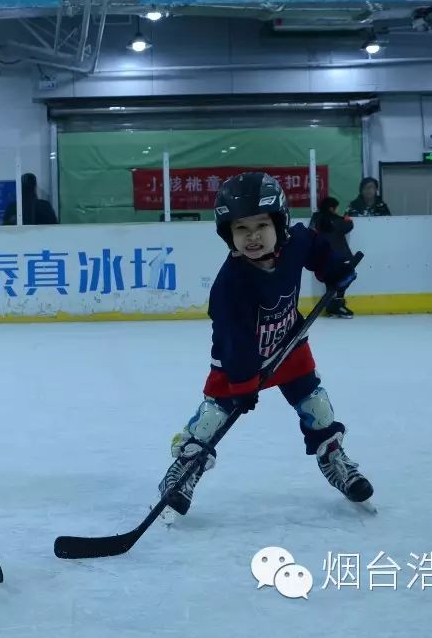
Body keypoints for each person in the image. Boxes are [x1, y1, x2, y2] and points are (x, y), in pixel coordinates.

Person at [159, 172, 370, 517]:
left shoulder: (294, 243)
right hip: (237, 363)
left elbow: (315, 247)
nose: (252, 236)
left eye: (261, 226)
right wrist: (243, 384)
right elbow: (235, 341)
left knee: (317, 406)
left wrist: (334, 270)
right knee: (214, 417)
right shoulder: (230, 286)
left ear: (280, 224)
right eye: (241, 229)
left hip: (289, 347)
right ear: (228, 234)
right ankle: (184, 469)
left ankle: (334, 459)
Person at [309, 196, 355, 318]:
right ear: (331, 208)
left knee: (331, 282)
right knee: (344, 279)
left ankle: (332, 306)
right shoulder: (336, 220)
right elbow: (347, 227)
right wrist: (348, 220)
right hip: (338, 256)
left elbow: (311, 230)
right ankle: (337, 305)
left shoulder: (316, 218)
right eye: (336, 208)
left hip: (323, 257)